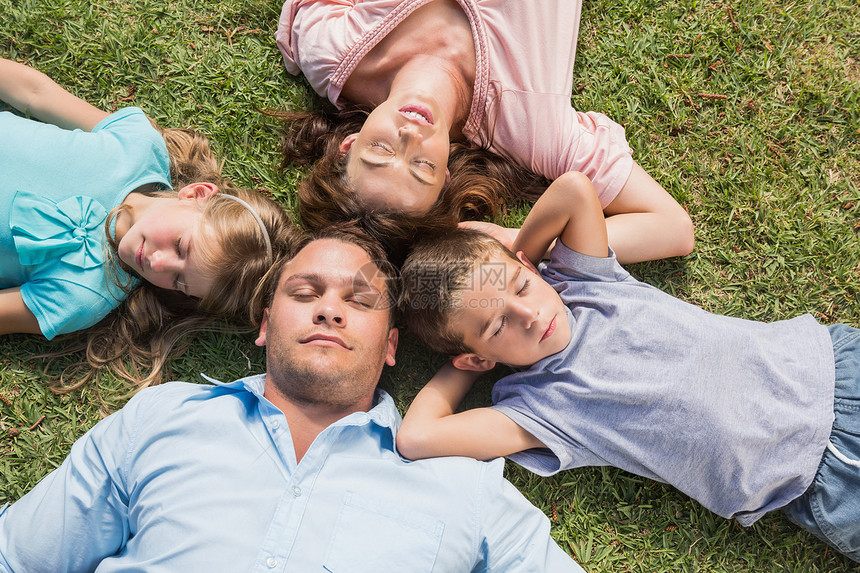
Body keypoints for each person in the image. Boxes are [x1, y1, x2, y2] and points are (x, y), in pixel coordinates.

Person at [0, 224, 585, 572]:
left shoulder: (462, 482)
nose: (330, 309)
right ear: (263, 325)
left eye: (360, 302)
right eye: (306, 292)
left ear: (391, 347)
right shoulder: (161, 419)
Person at [396, 171, 860, 562]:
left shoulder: (582, 281)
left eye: (520, 289)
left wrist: (523, 255)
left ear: (530, 269)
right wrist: (474, 364)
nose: (530, 315)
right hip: (814, 474)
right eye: (498, 326)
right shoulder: (538, 410)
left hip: (830, 368)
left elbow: (574, 189)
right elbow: (417, 437)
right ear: (478, 355)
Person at [273, 0, 694, 264]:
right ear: (446, 180)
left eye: (380, 149)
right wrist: (521, 241)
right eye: (421, 165)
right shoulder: (529, 127)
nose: (410, 135)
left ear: (348, 145)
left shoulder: (331, 52)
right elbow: (672, 228)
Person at [0, 58, 295, 388]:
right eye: (181, 246)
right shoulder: (138, 146)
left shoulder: (83, 297)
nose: (157, 263)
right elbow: (34, 93)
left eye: (179, 281)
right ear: (197, 193)